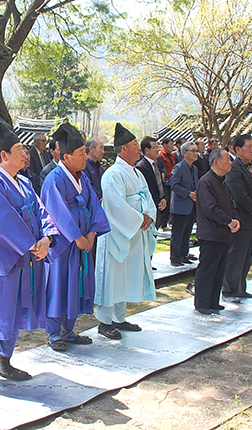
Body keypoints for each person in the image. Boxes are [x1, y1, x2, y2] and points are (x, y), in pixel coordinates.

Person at [0, 116, 59, 391]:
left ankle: (4, 361)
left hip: (26, 258)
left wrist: (47, 237)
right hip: (2, 262)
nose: (25, 152)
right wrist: (32, 244)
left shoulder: (26, 183)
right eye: (20, 148)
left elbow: (42, 212)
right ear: (3, 155)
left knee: (18, 310)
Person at [40, 123, 110, 352]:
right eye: (81, 153)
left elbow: (94, 206)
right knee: (58, 286)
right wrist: (77, 237)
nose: (85, 157)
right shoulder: (54, 179)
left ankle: (69, 329)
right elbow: (56, 212)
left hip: (83, 243)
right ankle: (53, 332)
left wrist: (90, 234)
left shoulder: (83, 178)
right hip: (62, 246)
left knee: (78, 286)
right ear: (67, 156)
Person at [94, 123, 157, 340]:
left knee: (125, 276)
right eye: (134, 145)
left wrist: (148, 214)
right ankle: (104, 321)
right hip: (117, 233)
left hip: (134, 230)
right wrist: (139, 218)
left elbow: (147, 197)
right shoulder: (113, 174)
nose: (138, 148)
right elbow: (115, 205)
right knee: (111, 277)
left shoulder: (137, 173)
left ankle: (119, 318)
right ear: (122, 149)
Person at [194, 149, 240, 314]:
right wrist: (228, 221)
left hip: (223, 232)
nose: (230, 163)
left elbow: (231, 204)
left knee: (219, 269)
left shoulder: (223, 182)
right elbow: (209, 208)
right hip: (211, 232)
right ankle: (202, 302)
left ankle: (213, 301)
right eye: (227, 159)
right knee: (208, 268)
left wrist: (234, 219)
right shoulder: (205, 182)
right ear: (216, 162)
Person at [222, 134, 252, 299]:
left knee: (247, 256)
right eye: (249, 146)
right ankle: (231, 289)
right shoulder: (234, 168)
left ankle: (241, 287)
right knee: (236, 255)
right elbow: (240, 195)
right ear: (238, 149)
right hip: (242, 217)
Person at [170, 142, 199, 266]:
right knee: (178, 233)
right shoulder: (179, 167)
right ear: (185, 153)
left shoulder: (194, 169)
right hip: (180, 205)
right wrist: (189, 193)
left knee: (187, 232)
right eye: (193, 151)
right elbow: (174, 185)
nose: (196, 153)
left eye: (197, 151)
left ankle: (183, 254)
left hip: (191, 205)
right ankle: (175, 257)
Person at [136, 136, 167, 229]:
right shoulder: (141, 167)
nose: (157, 150)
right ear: (146, 150)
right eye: (154, 147)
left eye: (158, 147)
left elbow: (161, 183)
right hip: (150, 206)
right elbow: (146, 188)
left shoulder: (156, 164)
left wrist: (164, 198)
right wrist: (158, 201)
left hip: (159, 205)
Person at [157, 138, 175, 229]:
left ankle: (166, 222)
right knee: (165, 201)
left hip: (171, 180)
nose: (172, 146)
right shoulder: (161, 156)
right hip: (165, 181)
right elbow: (162, 168)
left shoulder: (172, 156)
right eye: (170, 144)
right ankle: (162, 223)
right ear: (164, 145)